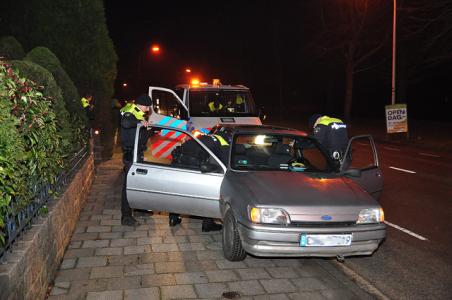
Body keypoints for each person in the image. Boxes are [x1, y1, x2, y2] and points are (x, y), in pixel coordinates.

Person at [168, 131, 230, 232]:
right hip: (194, 162)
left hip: (180, 159)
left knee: (180, 191)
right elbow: (226, 162)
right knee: (206, 192)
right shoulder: (223, 142)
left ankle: (173, 218)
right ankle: (207, 224)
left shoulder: (206, 136)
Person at [120, 94, 152, 226]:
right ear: (140, 104)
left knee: (139, 182)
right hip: (131, 154)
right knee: (128, 185)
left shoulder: (137, 112)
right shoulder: (130, 111)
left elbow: (137, 132)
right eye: (147, 106)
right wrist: (140, 123)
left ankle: (140, 209)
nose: (148, 109)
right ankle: (126, 217)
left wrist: (151, 131)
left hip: (137, 152)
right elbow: (126, 123)